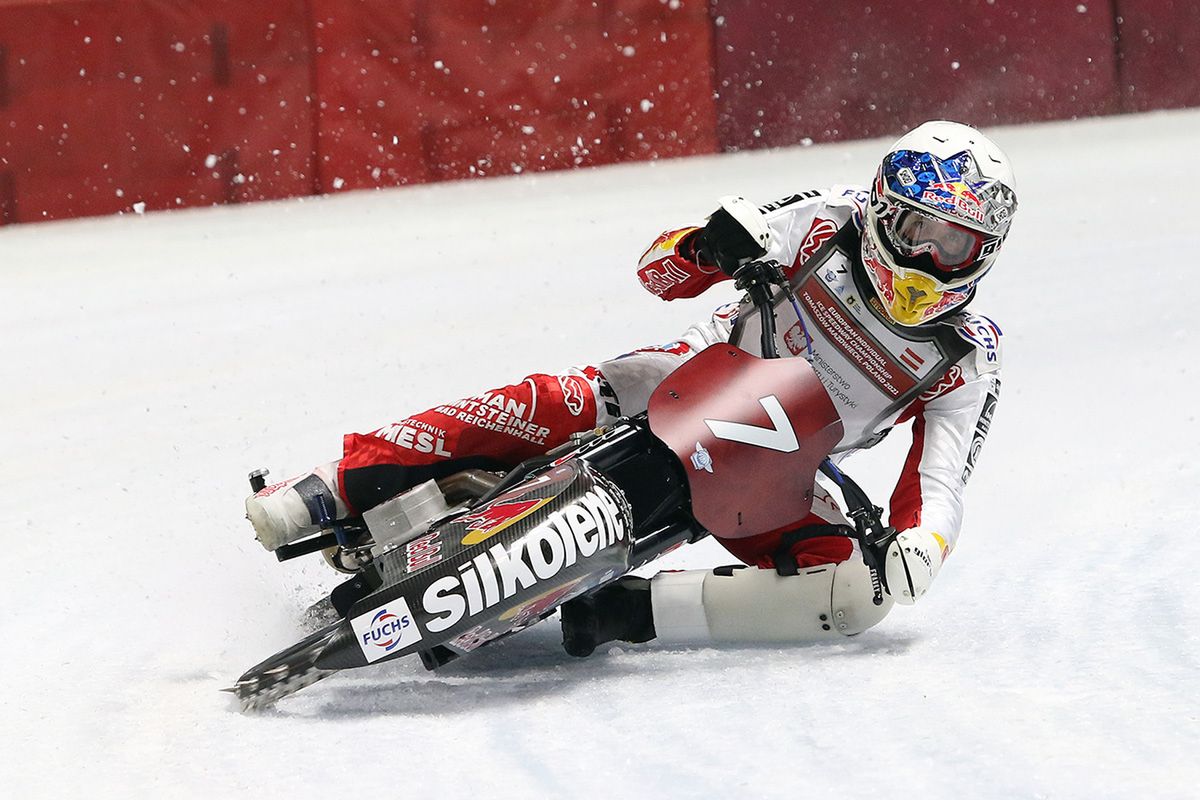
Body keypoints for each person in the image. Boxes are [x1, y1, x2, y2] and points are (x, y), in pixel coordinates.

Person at [246, 120, 1015, 656]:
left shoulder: (966, 355)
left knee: (860, 595)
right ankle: (334, 487)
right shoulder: (829, 217)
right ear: (885, 210)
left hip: (782, 465)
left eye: (959, 246)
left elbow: (940, 479)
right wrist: (710, 244)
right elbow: (658, 270)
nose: (931, 259)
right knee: (576, 395)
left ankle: (623, 615)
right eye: (921, 232)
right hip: (703, 371)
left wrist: (923, 545)